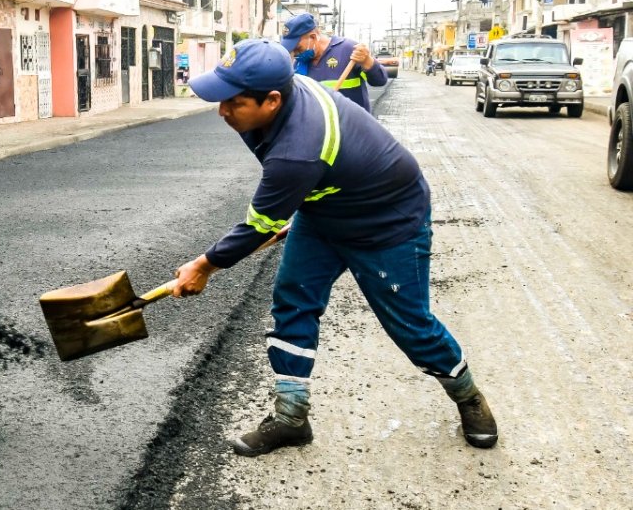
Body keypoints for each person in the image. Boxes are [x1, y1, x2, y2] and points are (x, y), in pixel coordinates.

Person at [176, 38, 497, 457]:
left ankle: (469, 397)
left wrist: (205, 266)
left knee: (411, 325)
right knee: (293, 300)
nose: (222, 111)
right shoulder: (277, 100)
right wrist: (289, 208)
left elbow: (261, 220)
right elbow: (278, 202)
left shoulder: (298, 150)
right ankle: (292, 418)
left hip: (388, 221)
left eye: (232, 102)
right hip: (326, 209)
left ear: (272, 100)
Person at [279, 12, 387, 113]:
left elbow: (380, 80)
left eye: (298, 48)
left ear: (313, 37)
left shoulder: (348, 50)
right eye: (292, 50)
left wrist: (367, 61)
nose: (296, 54)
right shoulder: (299, 65)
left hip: (352, 128)